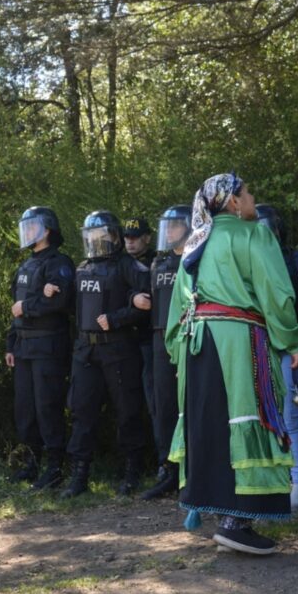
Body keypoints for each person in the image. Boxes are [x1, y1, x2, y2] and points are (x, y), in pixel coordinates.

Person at [166, 173, 298, 555]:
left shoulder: (194, 244)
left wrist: (177, 351)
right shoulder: (254, 236)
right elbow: (277, 295)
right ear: (231, 201)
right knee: (249, 415)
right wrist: (293, 342)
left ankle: (222, 517)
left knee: (210, 422)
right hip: (239, 340)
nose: (252, 199)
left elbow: (177, 307)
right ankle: (236, 522)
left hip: (196, 344)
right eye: (248, 193)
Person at [63, 211, 150, 498]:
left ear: (114, 236)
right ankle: (79, 476)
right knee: (82, 411)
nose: (95, 242)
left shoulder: (129, 266)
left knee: (127, 410)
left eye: (101, 236)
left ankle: (132, 471)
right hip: (86, 350)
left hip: (119, 348)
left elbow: (147, 303)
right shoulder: (82, 268)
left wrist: (118, 317)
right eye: (90, 237)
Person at [5, 206, 76, 489]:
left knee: (48, 407)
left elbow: (59, 302)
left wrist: (29, 306)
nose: (27, 231)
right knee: (26, 410)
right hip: (23, 349)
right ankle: (32, 464)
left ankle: (55, 467)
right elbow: (15, 310)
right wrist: (11, 343)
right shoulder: (25, 266)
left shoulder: (58, 263)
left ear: (47, 230)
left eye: (32, 226)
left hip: (49, 346)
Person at [257, 203, 298, 511]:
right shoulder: (249, 264)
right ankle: (277, 481)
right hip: (262, 350)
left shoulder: (296, 258)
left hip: (297, 351)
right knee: (270, 417)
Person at [138, 205, 190, 500]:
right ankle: (169, 470)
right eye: (166, 227)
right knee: (164, 406)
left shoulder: (198, 259)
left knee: (192, 405)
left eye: (174, 226)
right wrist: (136, 298)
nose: (168, 232)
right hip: (160, 339)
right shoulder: (159, 264)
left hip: (189, 338)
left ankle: (194, 472)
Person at [123, 216, 160, 454]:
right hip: (124, 340)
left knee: (154, 402)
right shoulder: (118, 263)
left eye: (135, 237)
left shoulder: (158, 262)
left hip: (149, 340)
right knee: (127, 402)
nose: (130, 242)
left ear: (147, 237)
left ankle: (161, 460)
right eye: (127, 237)